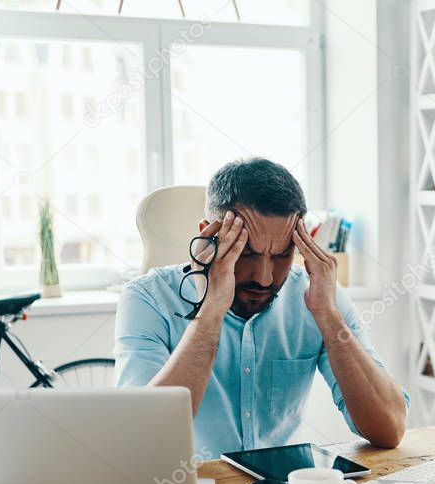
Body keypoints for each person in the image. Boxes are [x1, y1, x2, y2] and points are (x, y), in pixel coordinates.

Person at [114, 158, 408, 458]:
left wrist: (329, 318)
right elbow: (143, 440)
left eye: (282, 255)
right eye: (247, 253)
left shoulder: (317, 295)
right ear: (207, 235)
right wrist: (211, 311)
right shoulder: (147, 298)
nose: (264, 277)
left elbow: (390, 429)